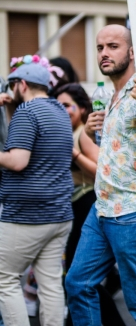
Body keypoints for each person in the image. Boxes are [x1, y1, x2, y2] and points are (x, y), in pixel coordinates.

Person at [65, 24, 136, 325]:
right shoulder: (110, 95)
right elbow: (115, 156)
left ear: (131, 51)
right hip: (103, 209)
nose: (104, 53)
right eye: (100, 47)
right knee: (77, 284)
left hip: (134, 212)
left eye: (112, 46)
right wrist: (88, 133)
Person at [0, 58, 73, 325]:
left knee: (4, 279)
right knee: (51, 283)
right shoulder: (59, 111)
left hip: (27, 215)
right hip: (60, 213)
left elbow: (18, 160)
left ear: (21, 85)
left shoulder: (27, 113)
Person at [53, 83, 126, 326]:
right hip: (74, 205)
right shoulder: (70, 132)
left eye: (67, 105)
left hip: (87, 202)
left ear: (83, 108)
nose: (62, 110)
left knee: (80, 277)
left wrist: (74, 154)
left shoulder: (82, 135)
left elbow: (100, 173)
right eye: (58, 105)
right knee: (78, 277)